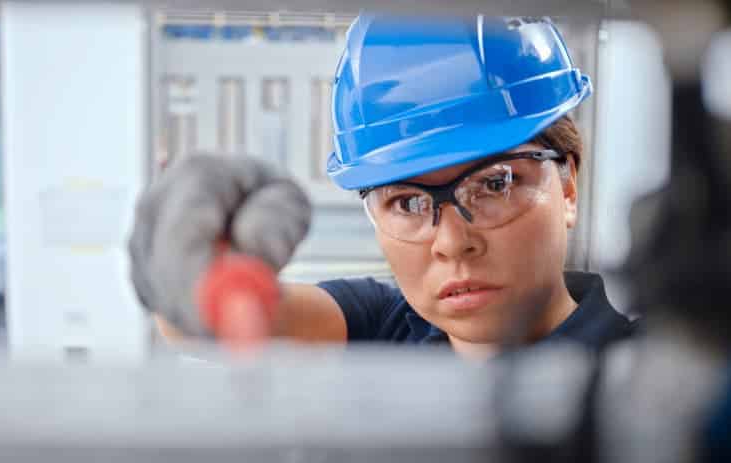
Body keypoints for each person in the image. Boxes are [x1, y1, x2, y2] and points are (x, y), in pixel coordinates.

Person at [129, 14, 637, 360]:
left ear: (568, 185)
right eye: (408, 202)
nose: (452, 241)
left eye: (494, 184)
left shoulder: (645, 374)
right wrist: (196, 263)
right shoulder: (387, 326)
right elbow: (200, 328)